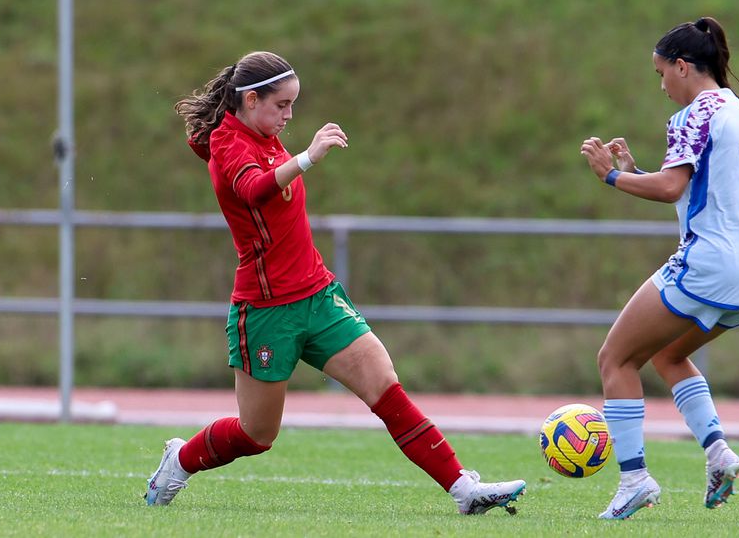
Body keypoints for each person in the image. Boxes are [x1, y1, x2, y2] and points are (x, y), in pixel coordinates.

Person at [146, 51, 525, 515]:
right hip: (266, 310)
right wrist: (307, 156)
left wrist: (298, 153)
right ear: (250, 100)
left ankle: (463, 490)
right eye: (281, 105)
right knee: (256, 434)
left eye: (293, 105)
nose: (289, 116)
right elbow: (253, 190)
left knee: (385, 387)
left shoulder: (263, 133)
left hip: (318, 295)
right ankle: (179, 460)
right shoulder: (229, 142)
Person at [579, 17, 739, 520]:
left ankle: (634, 480)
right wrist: (637, 171)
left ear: (684, 67)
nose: (661, 84)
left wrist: (611, 178)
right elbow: (693, 186)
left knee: (615, 359)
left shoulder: (696, 112)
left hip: (712, 260)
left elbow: (670, 189)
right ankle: (718, 454)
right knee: (668, 356)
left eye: (662, 72)